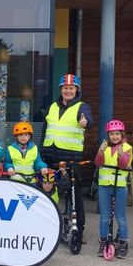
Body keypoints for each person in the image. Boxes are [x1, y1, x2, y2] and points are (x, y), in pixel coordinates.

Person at [41, 74, 93, 242]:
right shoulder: (52, 107)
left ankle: (80, 229)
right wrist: (42, 148)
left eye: (71, 88)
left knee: (74, 194)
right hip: (50, 157)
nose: (68, 91)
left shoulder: (81, 107)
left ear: (76, 90)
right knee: (48, 189)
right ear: (61, 90)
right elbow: (45, 129)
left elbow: (88, 120)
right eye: (65, 88)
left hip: (71, 158)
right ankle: (47, 224)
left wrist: (86, 122)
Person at [94, 120, 133, 259]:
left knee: (120, 216)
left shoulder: (127, 147)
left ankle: (123, 243)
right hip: (105, 185)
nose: (114, 137)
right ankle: (103, 242)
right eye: (112, 134)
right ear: (108, 135)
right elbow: (98, 163)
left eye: (117, 134)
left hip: (119, 186)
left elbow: (123, 165)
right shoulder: (105, 147)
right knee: (104, 217)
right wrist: (100, 152)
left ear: (122, 134)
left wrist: (122, 154)